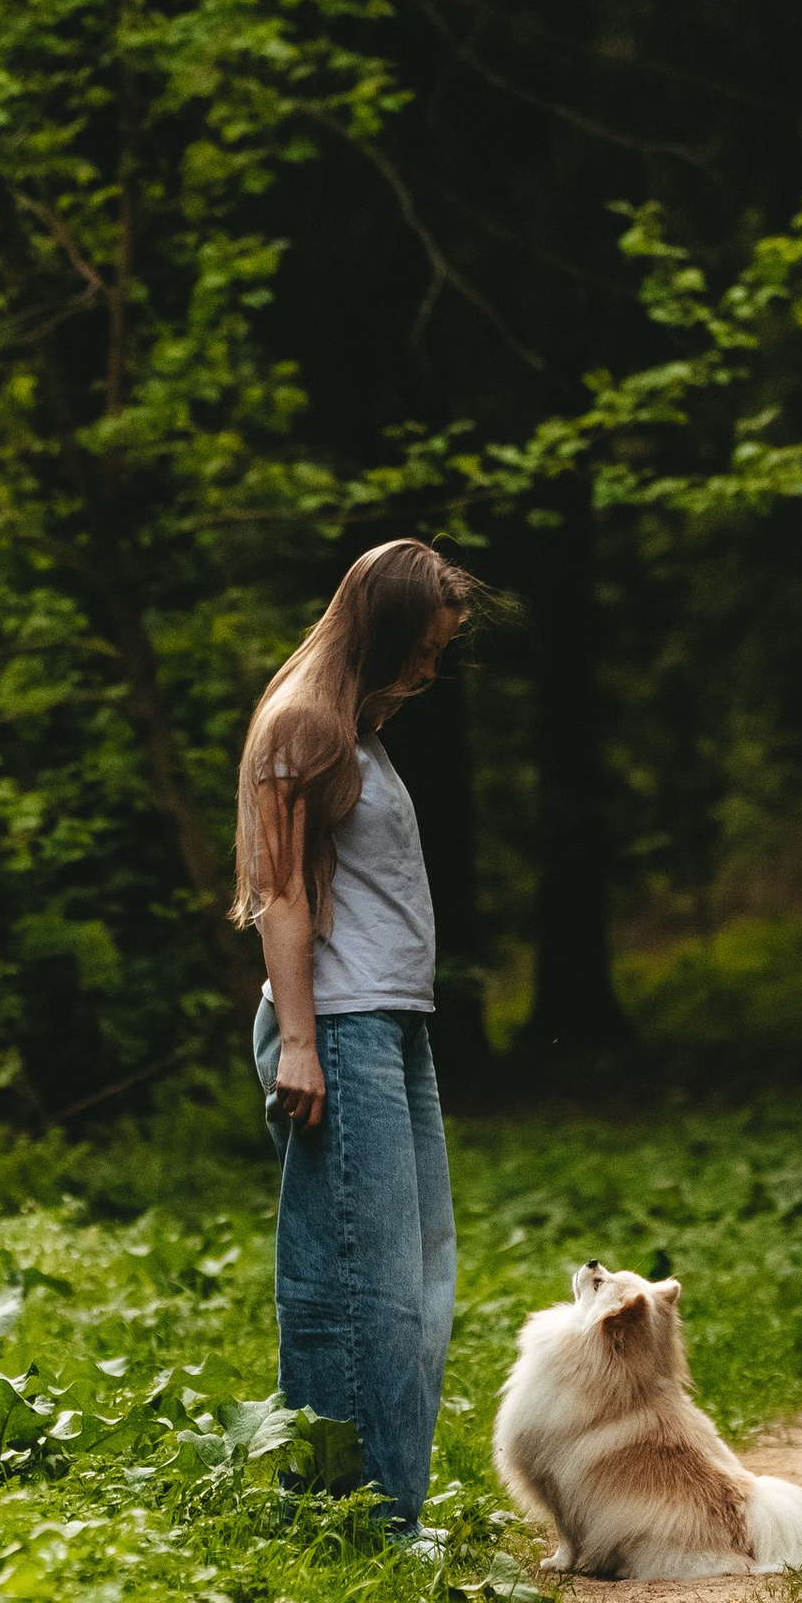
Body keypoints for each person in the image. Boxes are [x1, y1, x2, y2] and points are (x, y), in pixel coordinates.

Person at [233, 540, 476, 1535]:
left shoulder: (352, 732)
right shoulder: (301, 722)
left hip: (389, 1026)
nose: (428, 669)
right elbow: (279, 893)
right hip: (336, 1028)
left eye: (438, 651)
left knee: (416, 1287)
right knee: (359, 1291)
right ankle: (361, 1522)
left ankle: (385, 1510)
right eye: (420, 648)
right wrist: (298, 1042)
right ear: (378, 632)